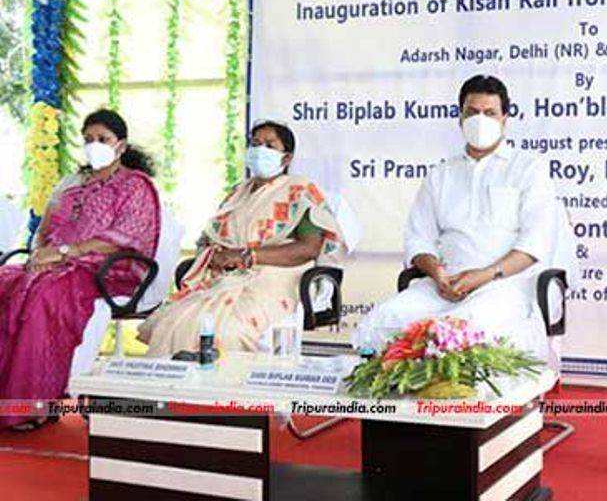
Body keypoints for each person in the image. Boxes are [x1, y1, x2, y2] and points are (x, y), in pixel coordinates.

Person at [352, 75, 562, 360]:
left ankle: (465, 405)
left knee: (460, 330)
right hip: (445, 284)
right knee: (382, 321)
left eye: (489, 113)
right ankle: (400, 401)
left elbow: (536, 243)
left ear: (505, 119)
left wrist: (484, 275)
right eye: (472, 112)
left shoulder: (529, 169)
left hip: (504, 284)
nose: (480, 120)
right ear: (460, 118)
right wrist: (436, 272)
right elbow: (418, 238)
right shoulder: (441, 175)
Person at [0, 110, 161, 430]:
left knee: (47, 294)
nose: (94, 146)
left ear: (121, 146)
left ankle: (35, 407)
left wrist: (64, 252)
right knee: (7, 282)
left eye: (103, 139)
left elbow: (125, 239)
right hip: (56, 264)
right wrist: (42, 254)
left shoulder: (135, 186)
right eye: (88, 140)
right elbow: (46, 231)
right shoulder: (72, 186)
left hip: (107, 269)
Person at [138, 121, 344, 356]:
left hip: (275, 278)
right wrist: (212, 256)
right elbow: (211, 236)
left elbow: (309, 248)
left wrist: (248, 256)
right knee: (172, 321)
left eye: (269, 145)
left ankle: (230, 391)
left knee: (229, 331)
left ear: (286, 158)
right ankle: (181, 391)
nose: (259, 150)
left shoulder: (298, 191)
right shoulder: (238, 193)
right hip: (227, 278)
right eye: (255, 144)